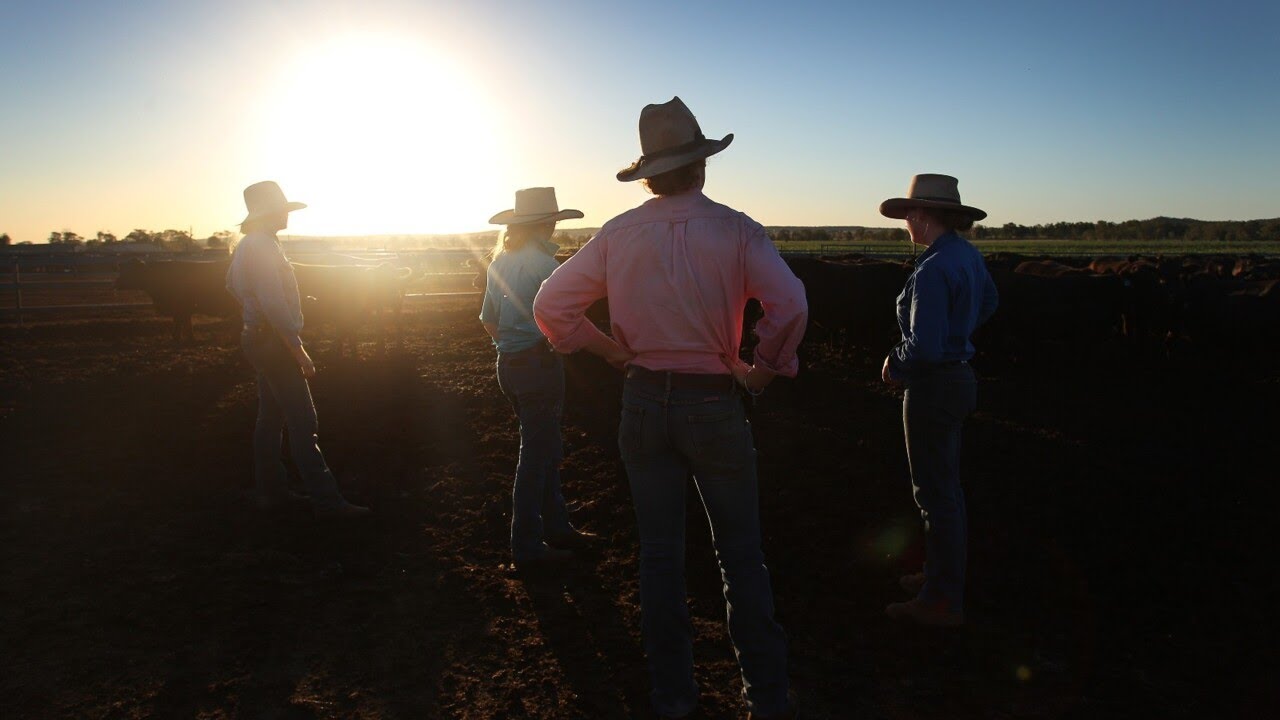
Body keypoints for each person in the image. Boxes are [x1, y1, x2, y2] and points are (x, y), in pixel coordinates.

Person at [533, 97, 806, 720]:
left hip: (642, 404)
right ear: (702, 167)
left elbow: (551, 305)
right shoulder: (736, 229)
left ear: (650, 174)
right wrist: (762, 372)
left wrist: (608, 352)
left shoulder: (618, 233)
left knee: (659, 556)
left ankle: (674, 698)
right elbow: (790, 304)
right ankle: (766, 698)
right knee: (740, 555)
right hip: (712, 401)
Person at [879, 173, 998, 627]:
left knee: (933, 492)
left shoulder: (931, 269)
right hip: (960, 379)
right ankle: (939, 575)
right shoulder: (966, 256)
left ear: (924, 215)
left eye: (910, 213)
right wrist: (958, 334)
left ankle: (941, 598)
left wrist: (896, 364)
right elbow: (989, 300)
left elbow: (923, 349)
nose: (906, 221)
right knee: (946, 489)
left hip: (932, 387)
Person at [225, 181, 371, 518]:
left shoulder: (249, 244)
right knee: (304, 422)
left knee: (270, 418)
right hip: (274, 342)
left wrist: (251, 310)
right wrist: (298, 348)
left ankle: (272, 492)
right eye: (283, 210)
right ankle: (328, 501)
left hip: (258, 338)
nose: (287, 215)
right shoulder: (263, 246)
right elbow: (274, 302)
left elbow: (231, 284)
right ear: (270, 213)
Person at [481, 187, 593, 570]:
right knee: (536, 454)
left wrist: (513, 346)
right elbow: (566, 320)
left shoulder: (501, 262)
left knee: (542, 446)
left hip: (509, 366)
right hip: (538, 365)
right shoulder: (547, 267)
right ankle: (527, 545)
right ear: (547, 224)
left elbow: (489, 321)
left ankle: (557, 527)